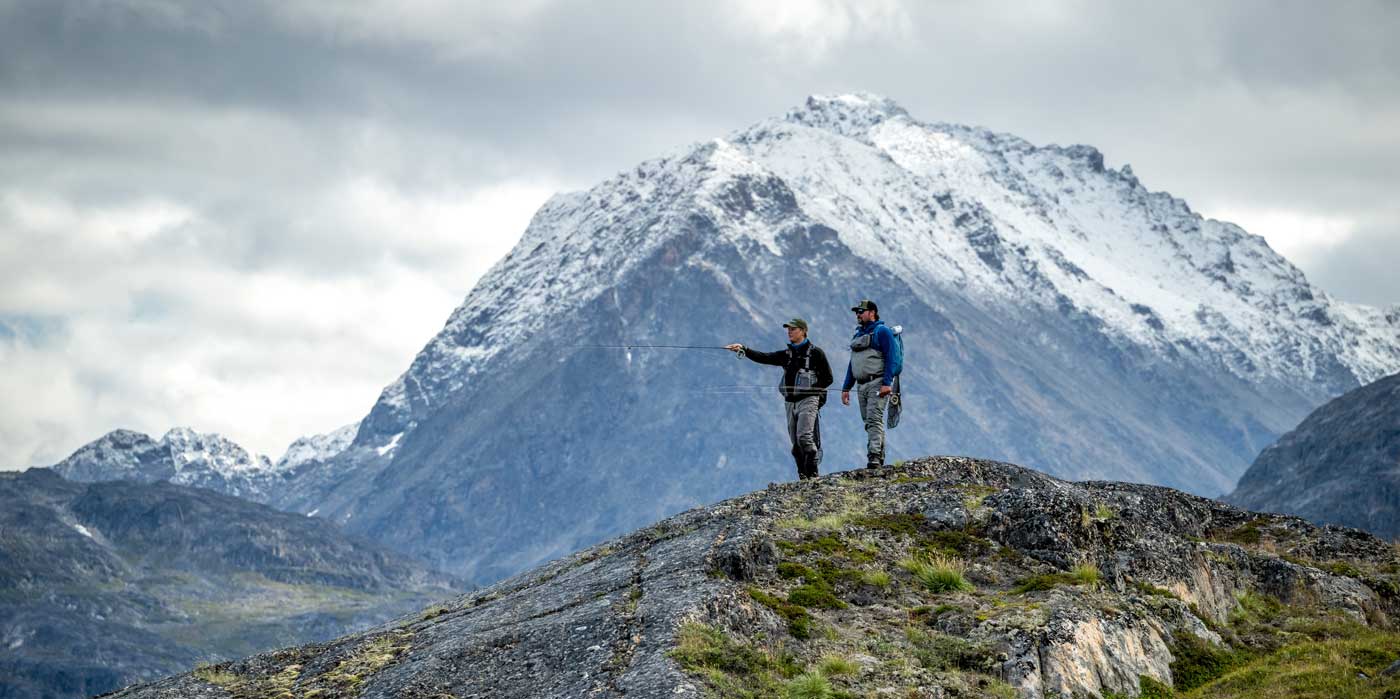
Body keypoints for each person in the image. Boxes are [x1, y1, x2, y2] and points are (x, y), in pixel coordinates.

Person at [725, 318, 834, 480]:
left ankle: (813, 475)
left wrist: (811, 390)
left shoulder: (816, 353)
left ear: (803, 331)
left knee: (804, 437)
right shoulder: (786, 354)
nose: (789, 332)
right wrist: (744, 349)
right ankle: (803, 477)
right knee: (796, 445)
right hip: (790, 402)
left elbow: (828, 378)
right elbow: (764, 357)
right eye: (788, 329)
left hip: (809, 400)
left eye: (793, 329)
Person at [841, 300, 901, 468]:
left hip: (877, 382)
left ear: (872, 312)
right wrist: (846, 387)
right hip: (861, 385)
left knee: (874, 419)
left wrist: (887, 383)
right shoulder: (858, 335)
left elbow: (892, 358)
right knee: (868, 421)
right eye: (856, 312)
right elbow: (853, 363)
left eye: (861, 311)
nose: (858, 314)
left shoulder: (882, 331)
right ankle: (878, 456)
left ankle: (874, 456)